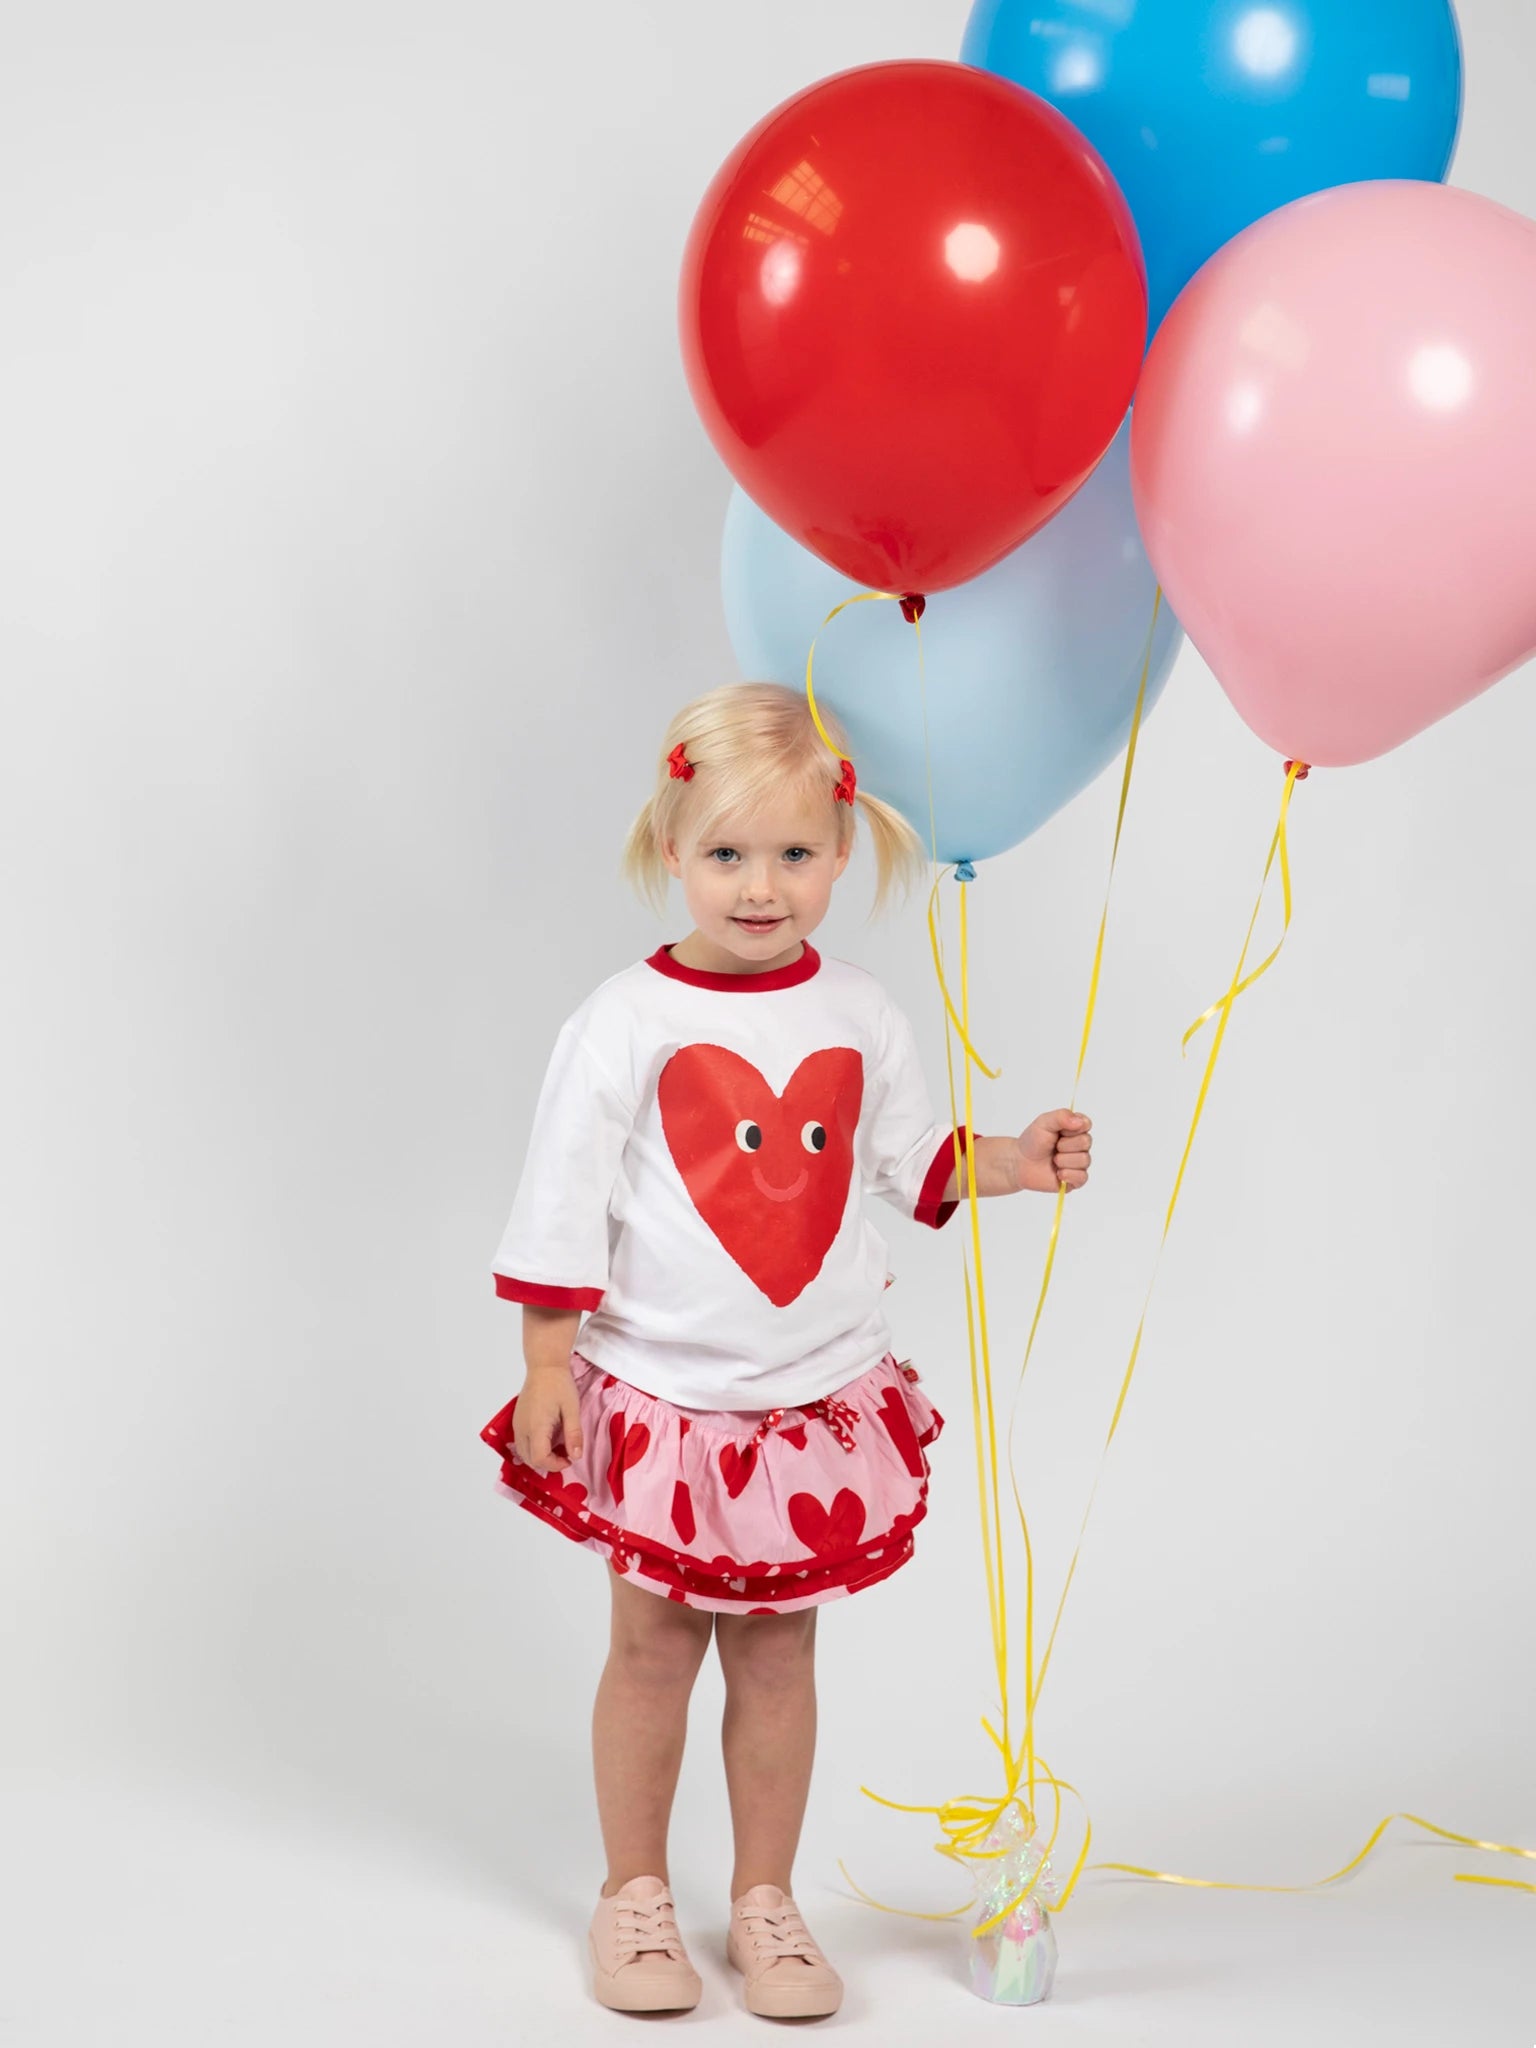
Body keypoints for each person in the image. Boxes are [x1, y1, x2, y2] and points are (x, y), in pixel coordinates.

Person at [480, 680, 1092, 2019]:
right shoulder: (623, 1025)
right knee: (652, 1649)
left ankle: (766, 1902)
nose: (762, 888)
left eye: (796, 855)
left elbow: (910, 1163)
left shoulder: (861, 1013)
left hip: (809, 1406)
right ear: (672, 849)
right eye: (727, 855)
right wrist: (545, 1363)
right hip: (666, 1399)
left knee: (778, 1657)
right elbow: (560, 1203)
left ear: (841, 848)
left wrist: (1015, 1163)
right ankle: (633, 1895)